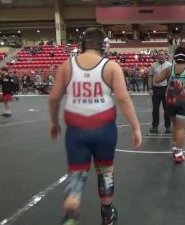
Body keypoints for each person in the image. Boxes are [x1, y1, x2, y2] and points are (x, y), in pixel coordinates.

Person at [48, 28, 142, 225]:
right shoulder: (111, 67)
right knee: (105, 171)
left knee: (77, 173)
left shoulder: (67, 66)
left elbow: (54, 98)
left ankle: (71, 213)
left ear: (83, 44)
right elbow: (123, 99)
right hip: (104, 128)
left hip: (76, 129)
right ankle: (107, 214)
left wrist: (54, 122)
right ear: (104, 46)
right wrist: (136, 127)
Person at [154, 46, 185, 163]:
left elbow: (156, 80)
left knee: (175, 126)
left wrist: (164, 72)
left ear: (175, 57)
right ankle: (179, 154)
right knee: (180, 128)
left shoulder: (170, 69)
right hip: (183, 103)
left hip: (170, 102)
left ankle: (175, 147)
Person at [148, 49, 172, 134]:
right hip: (156, 89)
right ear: (157, 56)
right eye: (159, 54)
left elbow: (171, 79)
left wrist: (169, 90)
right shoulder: (153, 65)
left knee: (167, 110)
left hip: (166, 89)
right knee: (155, 109)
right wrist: (150, 88)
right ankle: (154, 126)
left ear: (165, 56)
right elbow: (150, 77)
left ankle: (168, 127)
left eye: (162, 54)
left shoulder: (170, 65)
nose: (161, 56)